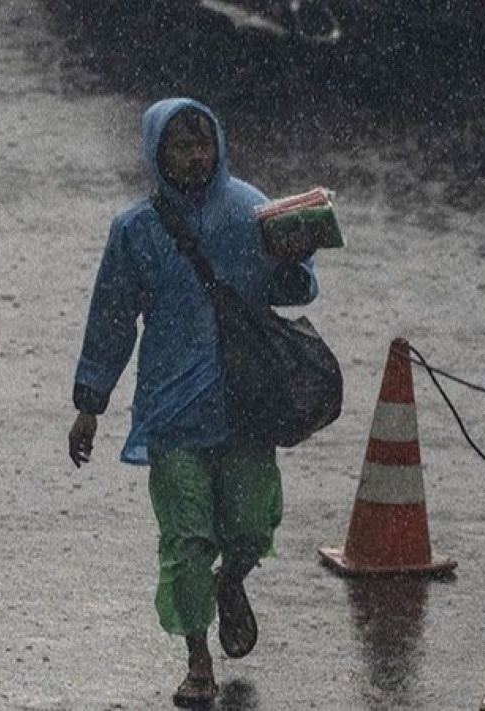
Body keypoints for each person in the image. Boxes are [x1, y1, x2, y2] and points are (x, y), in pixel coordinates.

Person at [66, 97, 319, 708]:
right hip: (173, 410)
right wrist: (89, 403)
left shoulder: (250, 208)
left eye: (203, 143)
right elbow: (112, 318)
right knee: (185, 540)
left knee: (253, 524)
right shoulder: (135, 231)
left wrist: (295, 257)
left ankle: (231, 582)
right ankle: (198, 659)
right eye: (181, 145)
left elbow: (296, 287)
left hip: (245, 401)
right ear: (157, 152)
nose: (195, 156)